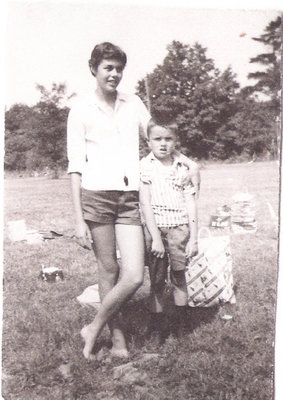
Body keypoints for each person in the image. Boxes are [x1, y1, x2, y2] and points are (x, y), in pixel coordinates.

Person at [67, 42, 151, 360]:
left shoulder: (134, 103)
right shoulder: (81, 109)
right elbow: (75, 168)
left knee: (133, 274)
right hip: (97, 196)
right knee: (108, 269)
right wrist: (78, 220)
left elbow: (156, 135)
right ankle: (118, 344)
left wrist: (180, 159)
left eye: (119, 69)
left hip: (129, 197)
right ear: (94, 69)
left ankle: (94, 326)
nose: (115, 74)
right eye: (108, 68)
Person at [139, 117, 199, 342]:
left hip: (179, 228)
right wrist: (155, 237)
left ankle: (180, 325)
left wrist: (193, 238)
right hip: (156, 229)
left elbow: (191, 202)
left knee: (179, 275)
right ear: (149, 141)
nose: (163, 143)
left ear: (176, 141)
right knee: (156, 280)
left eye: (168, 139)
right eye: (157, 139)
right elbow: (145, 204)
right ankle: (156, 327)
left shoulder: (183, 168)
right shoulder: (145, 166)